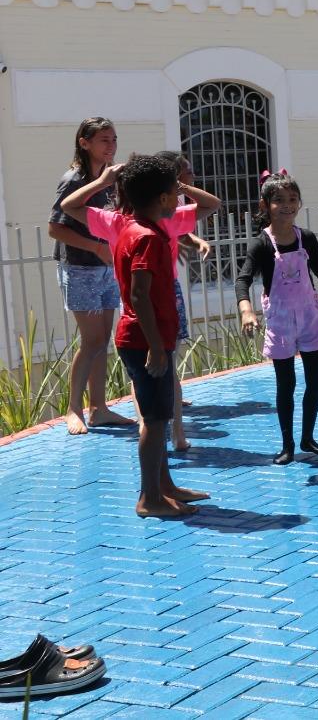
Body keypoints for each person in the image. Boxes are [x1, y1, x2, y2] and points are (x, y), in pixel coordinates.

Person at [63, 152, 221, 451]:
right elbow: (67, 207)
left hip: (150, 302)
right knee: (157, 369)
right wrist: (104, 181)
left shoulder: (140, 219)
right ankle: (154, 431)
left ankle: (169, 431)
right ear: (161, 196)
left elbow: (72, 206)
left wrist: (102, 182)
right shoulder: (139, 224)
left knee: (157, 372)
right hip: (145, 305)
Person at [236, 172, 318, 465]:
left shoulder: (305, 238)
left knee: (316, 379)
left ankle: (308, 436)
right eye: (279, 200)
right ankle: (287, 444)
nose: (287, 205)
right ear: (265, 205)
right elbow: (243, 279)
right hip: (280, 320)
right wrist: (246, 309)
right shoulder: (262, 244)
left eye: (292, 199)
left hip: (308, 316)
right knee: (287, 384)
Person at [108, 154, 210, 517]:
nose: (177, 200)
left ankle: (164, 486)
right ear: (165, 198)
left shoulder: (134, 229)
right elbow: (138, 295)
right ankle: (149, 497)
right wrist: (155, 347)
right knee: (153, 420)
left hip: (145, 338)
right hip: (143, 341)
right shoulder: (147, 237)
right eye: (174, 192)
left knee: (161, 416)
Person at [48, 117, 133, 435]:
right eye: (104, 140)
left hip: (106, 269)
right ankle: (74, 409)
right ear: (84, 143)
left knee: (103, 339)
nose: (111, 146)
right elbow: (54, 228)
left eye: (114, 140)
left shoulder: (108, 179)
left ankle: (99, 408)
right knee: (92, 339)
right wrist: (95, 249)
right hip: (80, 267)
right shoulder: (75, 179)